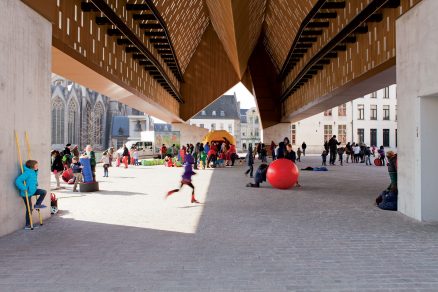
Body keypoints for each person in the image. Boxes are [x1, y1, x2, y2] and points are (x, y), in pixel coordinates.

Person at [15, 160, 47, 229]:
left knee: (43, 192)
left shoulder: (33, 172)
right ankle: (27, 225)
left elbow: (32, 180)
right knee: (29, 209)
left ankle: (38, 204)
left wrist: (36, 183)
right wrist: (24, 188)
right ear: (32, 166)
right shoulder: (27, 173)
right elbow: (18, 180)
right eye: (36, 165)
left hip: (33, 191)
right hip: (26, 193)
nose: (37, 167)